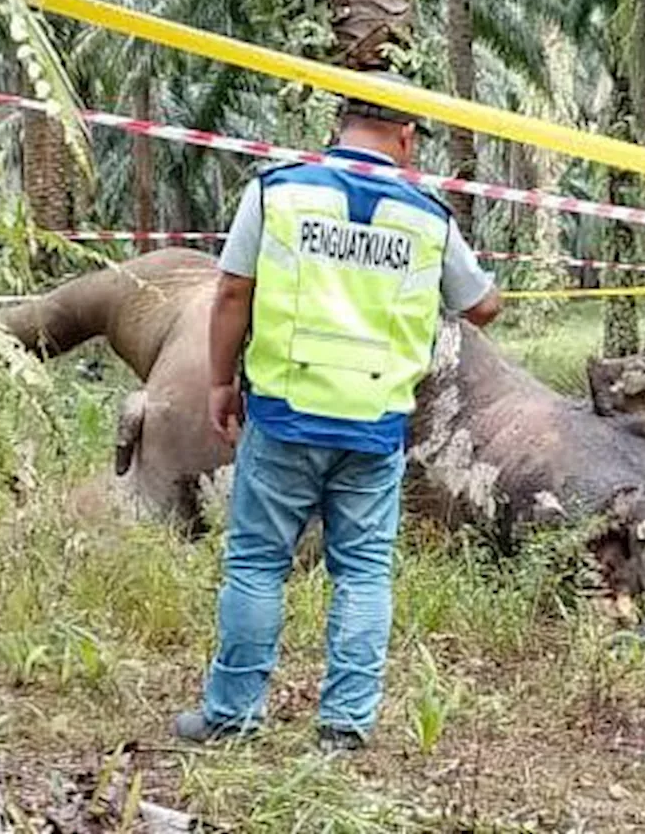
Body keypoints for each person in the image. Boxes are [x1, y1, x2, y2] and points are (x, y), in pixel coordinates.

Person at [174, 72, 502, 750]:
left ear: (340, 120)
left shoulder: (279, 188)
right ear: (407, 136)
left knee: (259, 564)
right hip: (375, 425)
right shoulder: (428, 214)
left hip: (284, 413)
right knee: (363, 572)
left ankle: (232, 714)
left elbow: (232, 290)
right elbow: (484, 306)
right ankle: (345, 727)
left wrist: (217, 382)